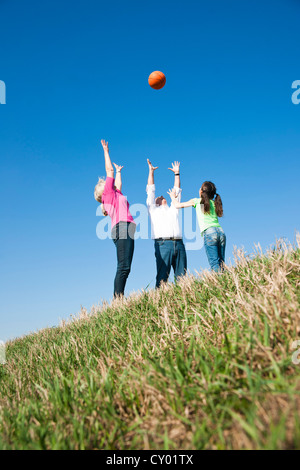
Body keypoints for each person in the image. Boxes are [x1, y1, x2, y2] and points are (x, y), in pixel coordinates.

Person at [94, 140, 136, 297]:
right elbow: (108, 169)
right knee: (123, 267)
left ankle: (118, 298)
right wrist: (106, 151)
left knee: (126, 267)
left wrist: (119, 172)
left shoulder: (115, 193)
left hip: (126, 227)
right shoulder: (108, 194)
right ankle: (117, 300)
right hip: (122, 227)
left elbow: (118, 184)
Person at [146, 159, 187, 288]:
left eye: (162, 196)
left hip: (179, 243)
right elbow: (151, 190)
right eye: (159, 197)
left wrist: (177, 174)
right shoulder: (152, 210)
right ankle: (159, 303)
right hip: (163, 244)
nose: (162, 196)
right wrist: (151, 172)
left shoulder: (173, 209)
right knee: (162, 278)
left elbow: (177, 191)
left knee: (182, 279)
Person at [168, 181, 226, 272]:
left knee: (214, 263)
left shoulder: (197, 201)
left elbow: (177, 205)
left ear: (201, 192)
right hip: (221, 232)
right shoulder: (215, 203)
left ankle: (221, 283)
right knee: (221, 263)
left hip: (210, 232)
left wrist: (172, 197)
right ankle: (224, 279)